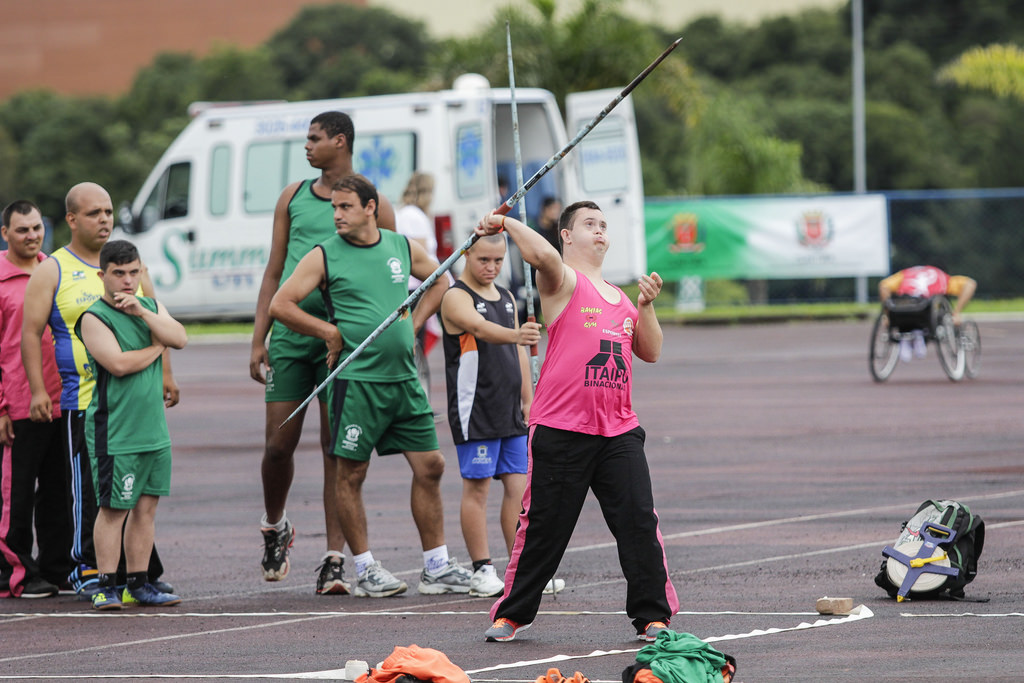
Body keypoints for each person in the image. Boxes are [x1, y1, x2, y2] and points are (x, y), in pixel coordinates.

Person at [477, 201, 679, 643]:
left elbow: (651, 351)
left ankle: (653, 617)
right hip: (562, 427)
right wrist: (505, 222)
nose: (601, 231)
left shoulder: (621, 299)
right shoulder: (562, 281)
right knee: (544, 528)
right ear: (567, 235)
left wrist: (645, 306)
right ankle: (512, 614)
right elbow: (544, 257)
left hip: (619, 430)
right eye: (590, 224)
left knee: (639, 523)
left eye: (604, 225)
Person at [269, 174, 472, 598]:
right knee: (351, 473)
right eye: (334, 208)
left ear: (370, 207)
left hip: (403, 377)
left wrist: (414, 324)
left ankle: (436, 566)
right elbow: (281, 304)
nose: (336, 215)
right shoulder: (324, 254)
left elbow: (440, 280)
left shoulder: (398, 246)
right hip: (356, 382)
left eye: (345, 207)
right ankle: (365, 569)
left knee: (431, 465)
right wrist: (328, 333)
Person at [249, 111, 396, 594]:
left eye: (314, 139)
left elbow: (396, 275)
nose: (306, 146)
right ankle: (276, 524)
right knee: (278, 445)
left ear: (340, 141)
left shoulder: (377, 205)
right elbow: (274, 272)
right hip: (293, 339)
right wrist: (258, 337)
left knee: (338, 449)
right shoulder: (292, 198)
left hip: (347, 345)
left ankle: (335, 559)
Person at [21, 182, 177, 600]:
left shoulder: (132, 268)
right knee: (91, 495)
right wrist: (39, 390)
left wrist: (166, 375)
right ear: (71, 219)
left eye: (108, 211)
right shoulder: (53, 269)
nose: (105, 219)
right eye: (94, 213)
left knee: (136, 496)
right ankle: (88, 570)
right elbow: (31, 333)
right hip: (84, 400)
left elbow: (161, 324)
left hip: (136, 404)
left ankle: (138, 576)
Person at [76, 240, 188, 609]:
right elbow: (118, 364)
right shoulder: (93, 317)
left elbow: (180, 338)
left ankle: (139, 583)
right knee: (113, 509)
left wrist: (143, 313)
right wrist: (158, 348)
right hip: (116, 431)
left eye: (133, 272)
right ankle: (106, 583)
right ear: (102, 275)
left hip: (153, 430)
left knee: (145, 509)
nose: (127, 280)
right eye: (119, 273)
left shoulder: (150, 307)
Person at [439, 234, 539, 598]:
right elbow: (480, 329)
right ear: (467, 253)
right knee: (477, 489)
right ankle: (482, 569)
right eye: (484, 260)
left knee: (518, 488)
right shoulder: (456, 297)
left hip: (510, 409)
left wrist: (528, 399)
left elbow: (520, 358)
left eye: (498, 261)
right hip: (476, 410)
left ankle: (521, 570)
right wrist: (517, 335)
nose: (491, 268)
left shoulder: (509, 298)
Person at [0, 200, 70, 599]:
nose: (32, 236)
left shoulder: (55, 270)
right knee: (17, 493)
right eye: (22, 229)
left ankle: (56, 568)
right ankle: (17, 571)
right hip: (19, 403)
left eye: (37, 228)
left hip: (62, 399)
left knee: (59, 491)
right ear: (5, 233)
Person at [395, 172, 442, 402]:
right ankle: (416, 399)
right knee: (415, 344)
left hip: (412, 286)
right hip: (417, 288)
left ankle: (415, 397)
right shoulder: (414, 216)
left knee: (415, 344)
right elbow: (422, 255)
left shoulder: (405, 213)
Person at [878, 265, 977, 362]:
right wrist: (956, 312)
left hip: (902, 311)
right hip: (927, 312)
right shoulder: (942, 277)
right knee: (932, 308)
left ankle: (908, 336)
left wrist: (886, 315)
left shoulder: (905, 274)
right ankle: (917, 335)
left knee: (903, 306)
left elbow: (883, 286)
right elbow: (970, 284)